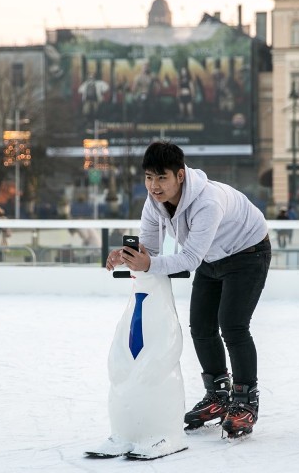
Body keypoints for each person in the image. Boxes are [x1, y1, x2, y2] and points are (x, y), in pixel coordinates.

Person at [105, 141, 270, 438]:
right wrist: (130, 257)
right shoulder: (153, 200)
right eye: (148, 177)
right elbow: (151, 248)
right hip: (212, 256)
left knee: (232, 326)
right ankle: (218, 395)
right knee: (201, 327)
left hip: (248, 253)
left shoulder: (208, 201)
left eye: (162, 178)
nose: (154, 186)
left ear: (180, 175)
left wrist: (148, 264)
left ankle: (245, 401)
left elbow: (189, 259)